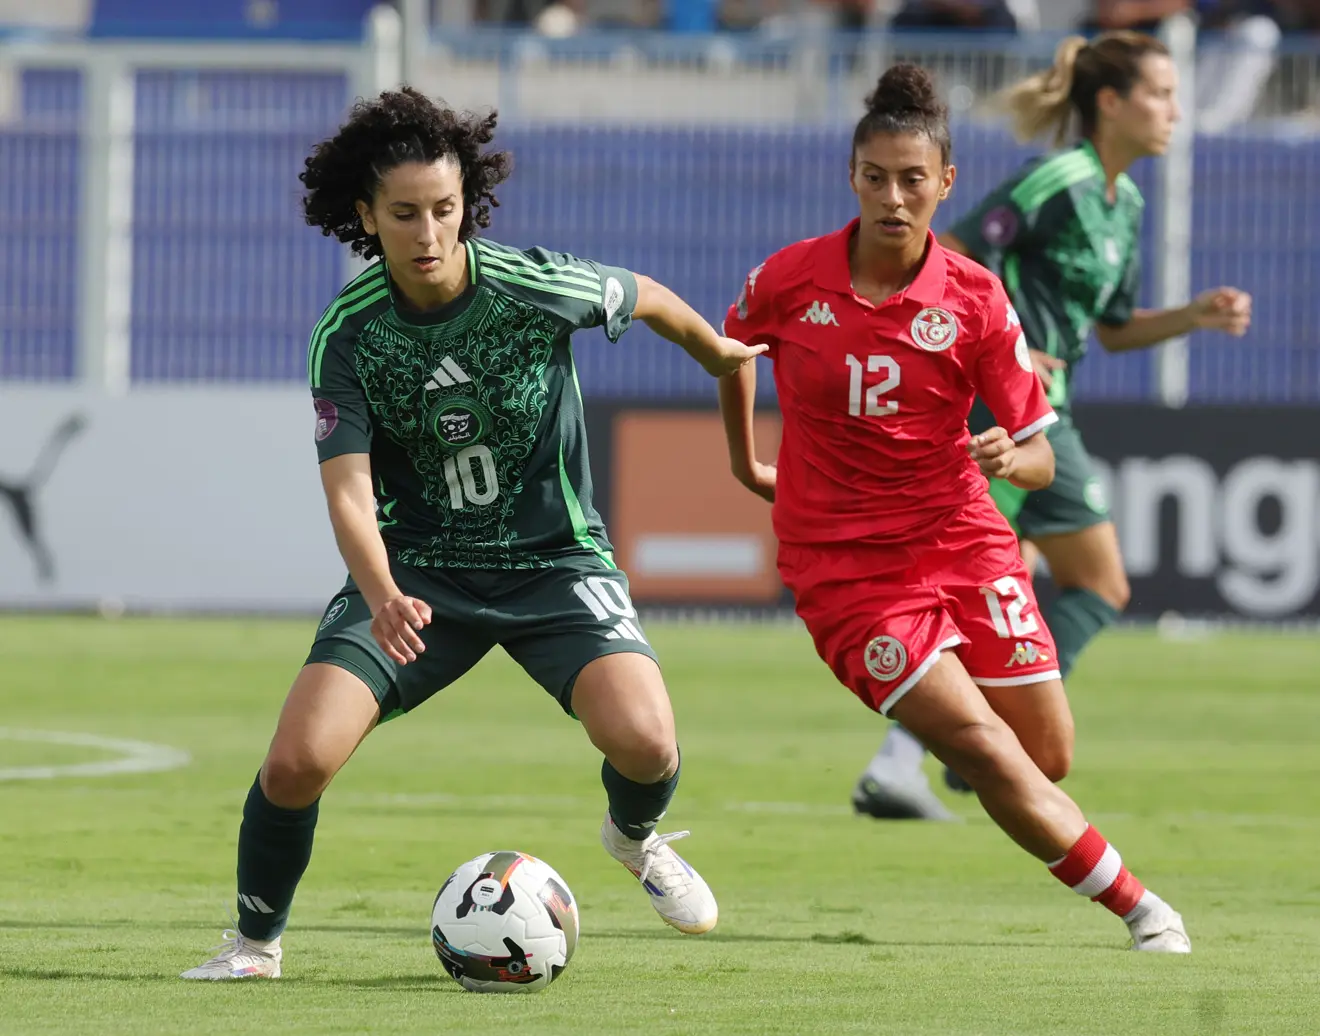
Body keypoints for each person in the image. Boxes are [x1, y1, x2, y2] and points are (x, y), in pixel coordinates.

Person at [181, 87, 765, 980]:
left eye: (444, 210)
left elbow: (644, 295)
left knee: (646, 744)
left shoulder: (533, 286)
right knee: (296, 761)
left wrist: (715, 353)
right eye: (404, 213)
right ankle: (255, 944)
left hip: (555, 563)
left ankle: (635, 837)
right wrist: (380, 595)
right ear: (364, 216)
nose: (427, 233)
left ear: (469, 206)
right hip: (419, 578)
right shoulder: (349, 335)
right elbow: (347, 491)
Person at [720, 64, 1191, 952]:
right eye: (875, 178)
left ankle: (951, 735)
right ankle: (1140, 908)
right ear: (852, 178)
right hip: (846, 570)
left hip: (963, 542)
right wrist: (748, 460)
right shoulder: (791, 277)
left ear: (946, 184)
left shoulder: (975, 297)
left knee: (1043, 757)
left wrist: (1014, 452)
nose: (893, 198)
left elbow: (1042, 454)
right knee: (979, 744)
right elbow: (730, 348)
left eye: (912, 179)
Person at [854, 31, 1252, 821]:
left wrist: (1191, 318)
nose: (1175, 110)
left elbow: (1111, 329)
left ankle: (952, 747)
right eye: (1162, 94)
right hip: (996, 405)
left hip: (1048, 412)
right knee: (1006, 581)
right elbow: (954, 246)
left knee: (1081, 580)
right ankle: (933, 752)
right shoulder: (1058, 178)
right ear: (1111, 103)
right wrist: (1000, 340)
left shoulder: (1126, 201)